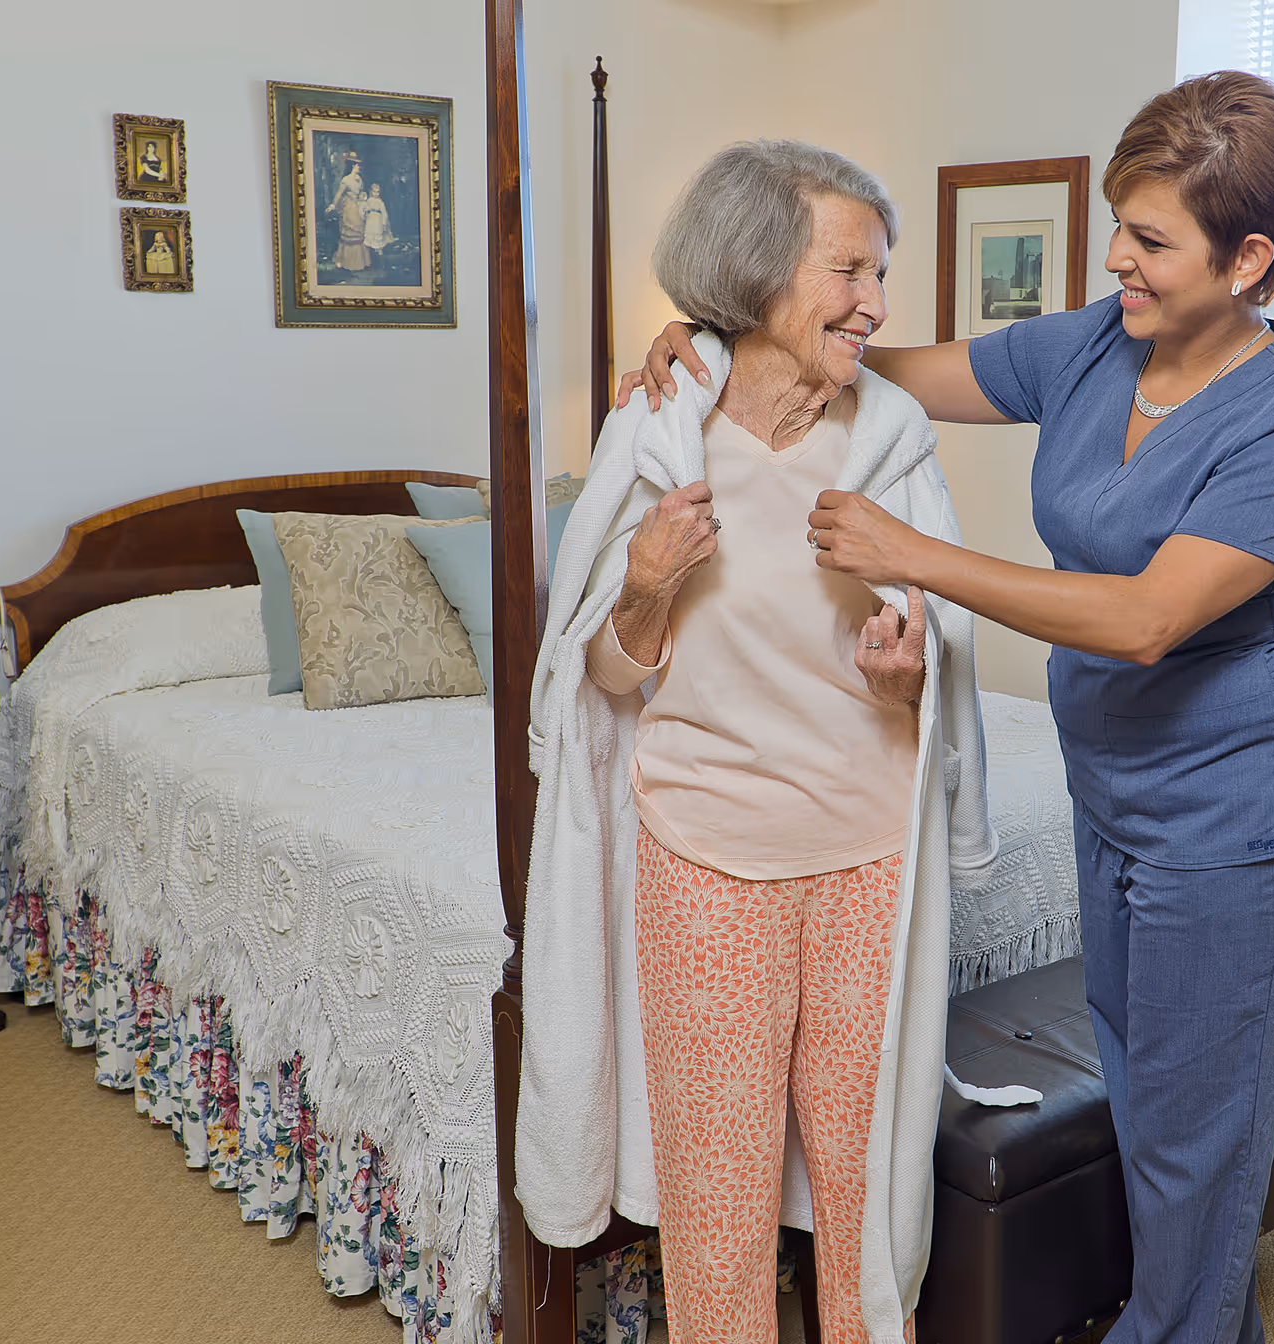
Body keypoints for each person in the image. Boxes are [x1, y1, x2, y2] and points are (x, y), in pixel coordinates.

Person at [625, 71, 1274, 1344]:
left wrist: (914, 554)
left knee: (1204, 1141)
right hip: (1111, 793)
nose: (1114, 255)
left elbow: (1143, 620)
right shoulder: (1095, 342)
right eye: (1118, 222)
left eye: (1151, 239)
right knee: (1142, 1094)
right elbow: (885, 365)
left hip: (1234, 816)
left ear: (1248, 262)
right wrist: (720, 344)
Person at [519, 140, 1009, 1344]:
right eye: (848, 268)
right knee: (719, 1196)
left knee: (863, 1187)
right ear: (757, 270)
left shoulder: (890, 439)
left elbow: (937, 666)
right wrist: (639, 591)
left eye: (880, 272)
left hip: (866, 863)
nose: (876, 302)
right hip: (707, 857)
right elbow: (598, 679)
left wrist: (910, 675)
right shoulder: (657, 436)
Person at [326, 154, 369, 272]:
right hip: (349, 208)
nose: (358, 167)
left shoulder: (360, 179)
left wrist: (363, 196)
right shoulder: (346, 180)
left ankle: (360, 262)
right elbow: (339, 194)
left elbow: (361, 192)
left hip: (358, 207)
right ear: (352, 166)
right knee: (350, 232)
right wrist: (333, 205)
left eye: (359, 165)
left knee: (360, 232)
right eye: (356, 165)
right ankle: (346, 262)